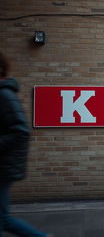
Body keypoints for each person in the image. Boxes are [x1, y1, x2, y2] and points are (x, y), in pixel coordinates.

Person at [0, 52, 54, 237]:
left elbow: (20, 131)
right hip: (5, 167)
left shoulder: (5, 95)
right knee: (3, 219)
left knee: (3, 219)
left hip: (3, 167)